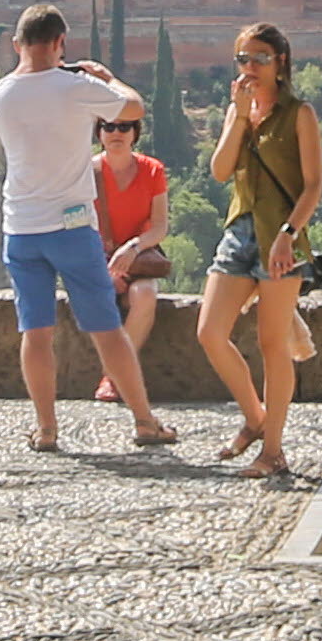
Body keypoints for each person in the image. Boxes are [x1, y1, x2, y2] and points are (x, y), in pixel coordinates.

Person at [0, 7, 161, 455]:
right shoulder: (78, 88)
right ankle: (143, 421)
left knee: (35, 332)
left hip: (21, 227)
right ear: (60, 43)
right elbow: (135, 107)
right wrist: (107, 77)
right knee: (105, 328)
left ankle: (46, 429)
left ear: (16, 44)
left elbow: (0, 131)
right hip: (73, 225)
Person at [194, 24, 322, 474]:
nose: (250, 67)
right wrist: (238, 116)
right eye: (243, 60)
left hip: (280, 239)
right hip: (239, 232)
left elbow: (313, 186)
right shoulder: (240, 112)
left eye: (259, 59)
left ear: (281, 62)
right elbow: (220, 170)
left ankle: (274, 450)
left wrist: (290, 232)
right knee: (210, 332)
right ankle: (254, 417)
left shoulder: (298, 114)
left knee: (273, 346)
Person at [91, 103, 185, 444]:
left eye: (125, 127)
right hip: (96, 260)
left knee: (145, 295)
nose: (117, 133)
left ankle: (114, 375)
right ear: (99, 132)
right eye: (109, 126)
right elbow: (78, 224)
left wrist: (131, 248)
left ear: (135, 134)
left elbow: (159, 227)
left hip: (138, 258)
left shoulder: (152, 170)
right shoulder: (86, 172)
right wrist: (103, 267)